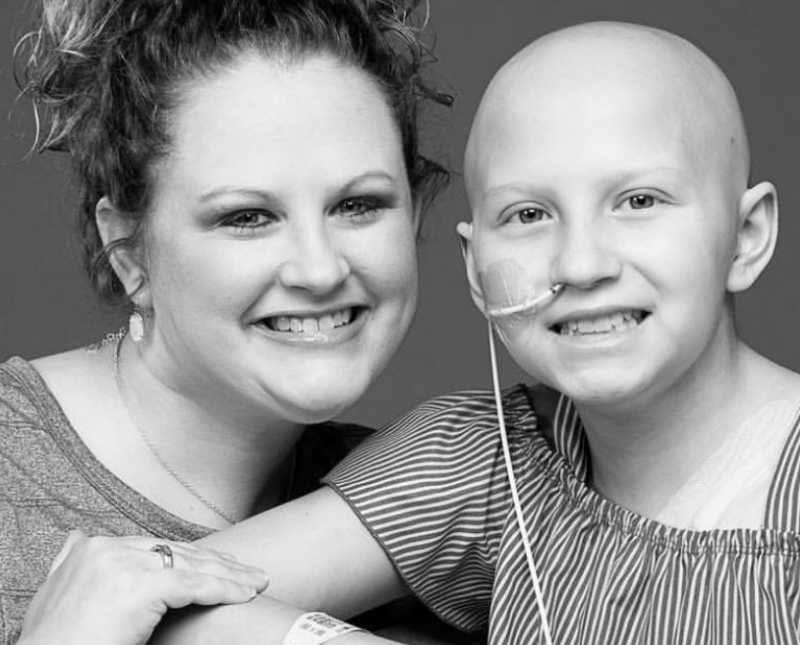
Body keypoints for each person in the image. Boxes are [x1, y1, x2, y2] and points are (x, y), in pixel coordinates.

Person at [143, 21, 800, 645]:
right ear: (478, 272)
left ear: (747, 237)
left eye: (639, 201)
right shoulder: (485, 463)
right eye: (528, 214)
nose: (581, 264)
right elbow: (158, 603)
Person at [5, 1, 454, 643]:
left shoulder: (434, 503)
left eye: (358, 205)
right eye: (245, 216)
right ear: (128, 251)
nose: (320, 269)